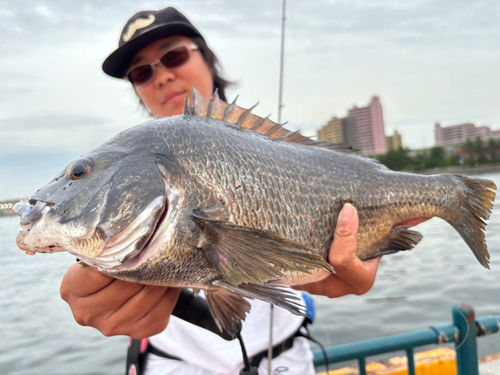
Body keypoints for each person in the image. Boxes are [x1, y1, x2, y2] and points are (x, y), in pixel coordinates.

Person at [60, 7, 381, 375]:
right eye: (141, 72)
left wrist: (348, 264)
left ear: (207, 57)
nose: (162, 76)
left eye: (173, 55)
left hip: (286, 361)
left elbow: (345, 201)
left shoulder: (281, 149)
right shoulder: (121, 176)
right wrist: (97, 291)